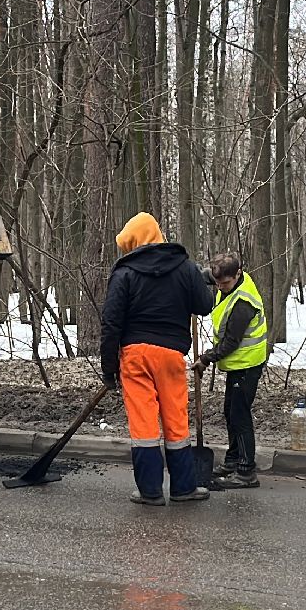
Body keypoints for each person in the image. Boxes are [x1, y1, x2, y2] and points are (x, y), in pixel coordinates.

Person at [101, 211, 214, 505]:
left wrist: (108, 369)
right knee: (176, 422)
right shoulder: (185, 267)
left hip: (135, 356)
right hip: (171, 355)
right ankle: (183, 488)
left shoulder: (124, 272)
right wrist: (197, 279)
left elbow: (111, 323)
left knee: (144, 426)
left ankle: (150, 491)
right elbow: (204, 305)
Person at [194, 253, 268, 488]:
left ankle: (246, 471)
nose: (220, 287)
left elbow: (230, 343)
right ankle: (233, 459)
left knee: (240, 415)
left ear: (238, 274)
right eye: (217, 283)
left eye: (225, 283)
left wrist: (206, 358)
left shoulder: (243, 303)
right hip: (237, 364)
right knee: (231, 412)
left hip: (247, 363)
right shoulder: (225, 280)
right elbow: (204, 275)